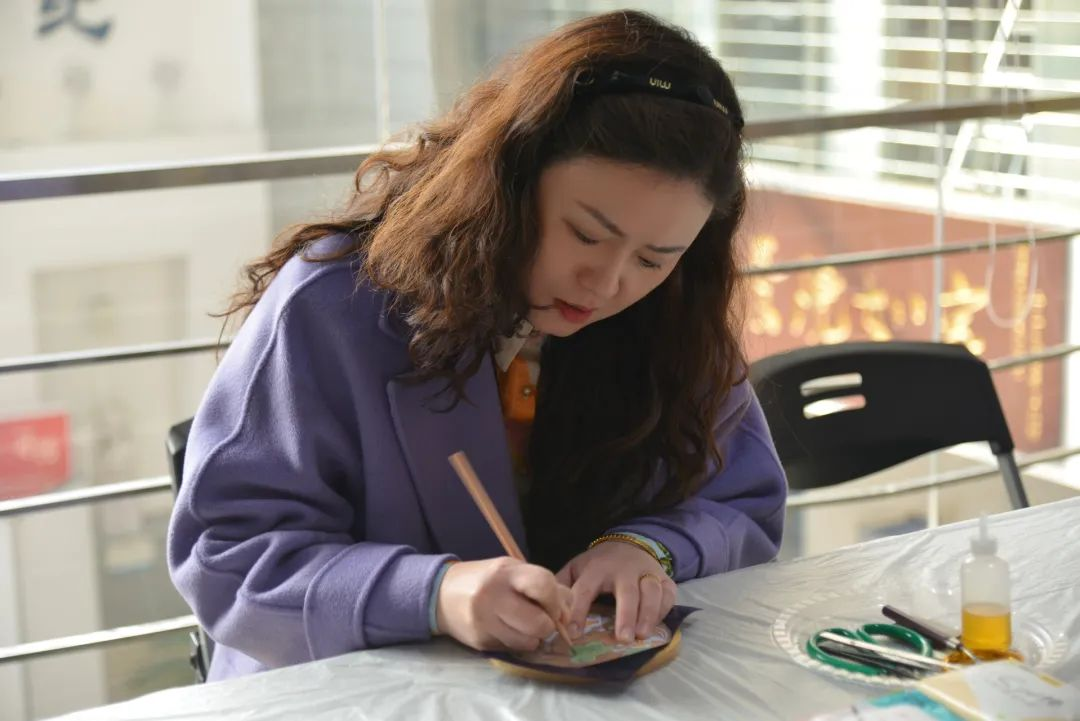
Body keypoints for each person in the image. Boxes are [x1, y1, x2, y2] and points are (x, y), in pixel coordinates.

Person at [168, 9, 787, 681]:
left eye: (653, 258)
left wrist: (646, 549)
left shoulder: (675, 317)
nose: (607, 283)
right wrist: (433, 593)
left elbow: (742, 502)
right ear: (509, 182)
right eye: (585, 234)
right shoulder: (333, 304)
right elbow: (226, 556)